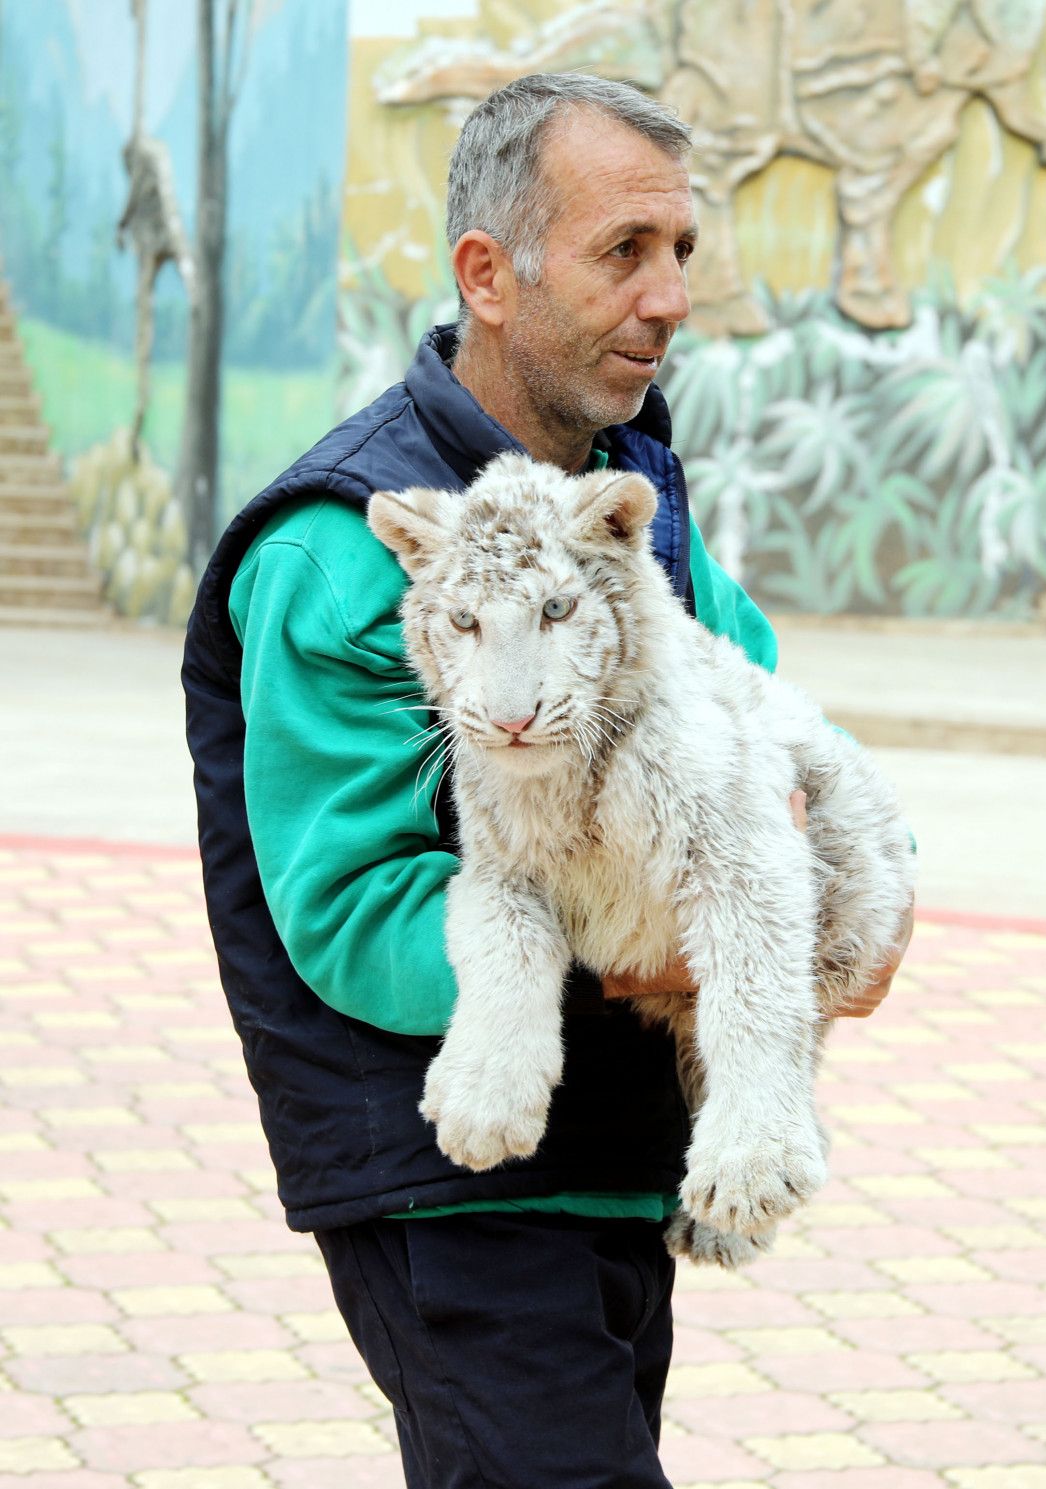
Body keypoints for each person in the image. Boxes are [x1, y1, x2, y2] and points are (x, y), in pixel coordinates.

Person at [182, 72, 911, 1489]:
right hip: (451, 1187)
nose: (671, 296)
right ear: (488, 275)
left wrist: (836, 899)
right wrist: (665, 940)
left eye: (682, 251)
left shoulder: (625, 504)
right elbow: (348, 911)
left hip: (621, 1163)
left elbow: (773, 750)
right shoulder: (342, 547)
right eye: (623, 252)